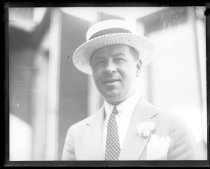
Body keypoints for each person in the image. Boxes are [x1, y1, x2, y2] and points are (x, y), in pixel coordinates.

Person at [62, 19, 200, 160]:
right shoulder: (76, 134)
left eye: (119, 59)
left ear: (138, 66)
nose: (109, 69)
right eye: (100, 62)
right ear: (93, 70)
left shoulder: (173, 126)